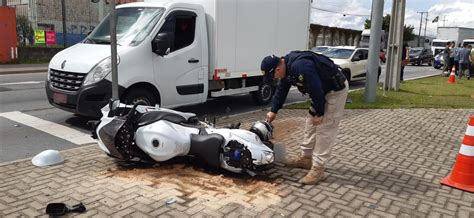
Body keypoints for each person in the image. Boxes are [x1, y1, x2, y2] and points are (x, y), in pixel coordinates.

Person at [260, 51, 348, 185]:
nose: (275, 79)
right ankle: (306, 159)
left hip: (334, 90)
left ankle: (318, 169)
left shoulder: (300, 67)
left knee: (325, 128)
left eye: (274, 76)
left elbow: (316, 88)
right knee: (310, 124)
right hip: (321, 91)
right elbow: (282, 89)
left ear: (277, 69)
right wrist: (274, 111)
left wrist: (319, 113)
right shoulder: (287, 67)